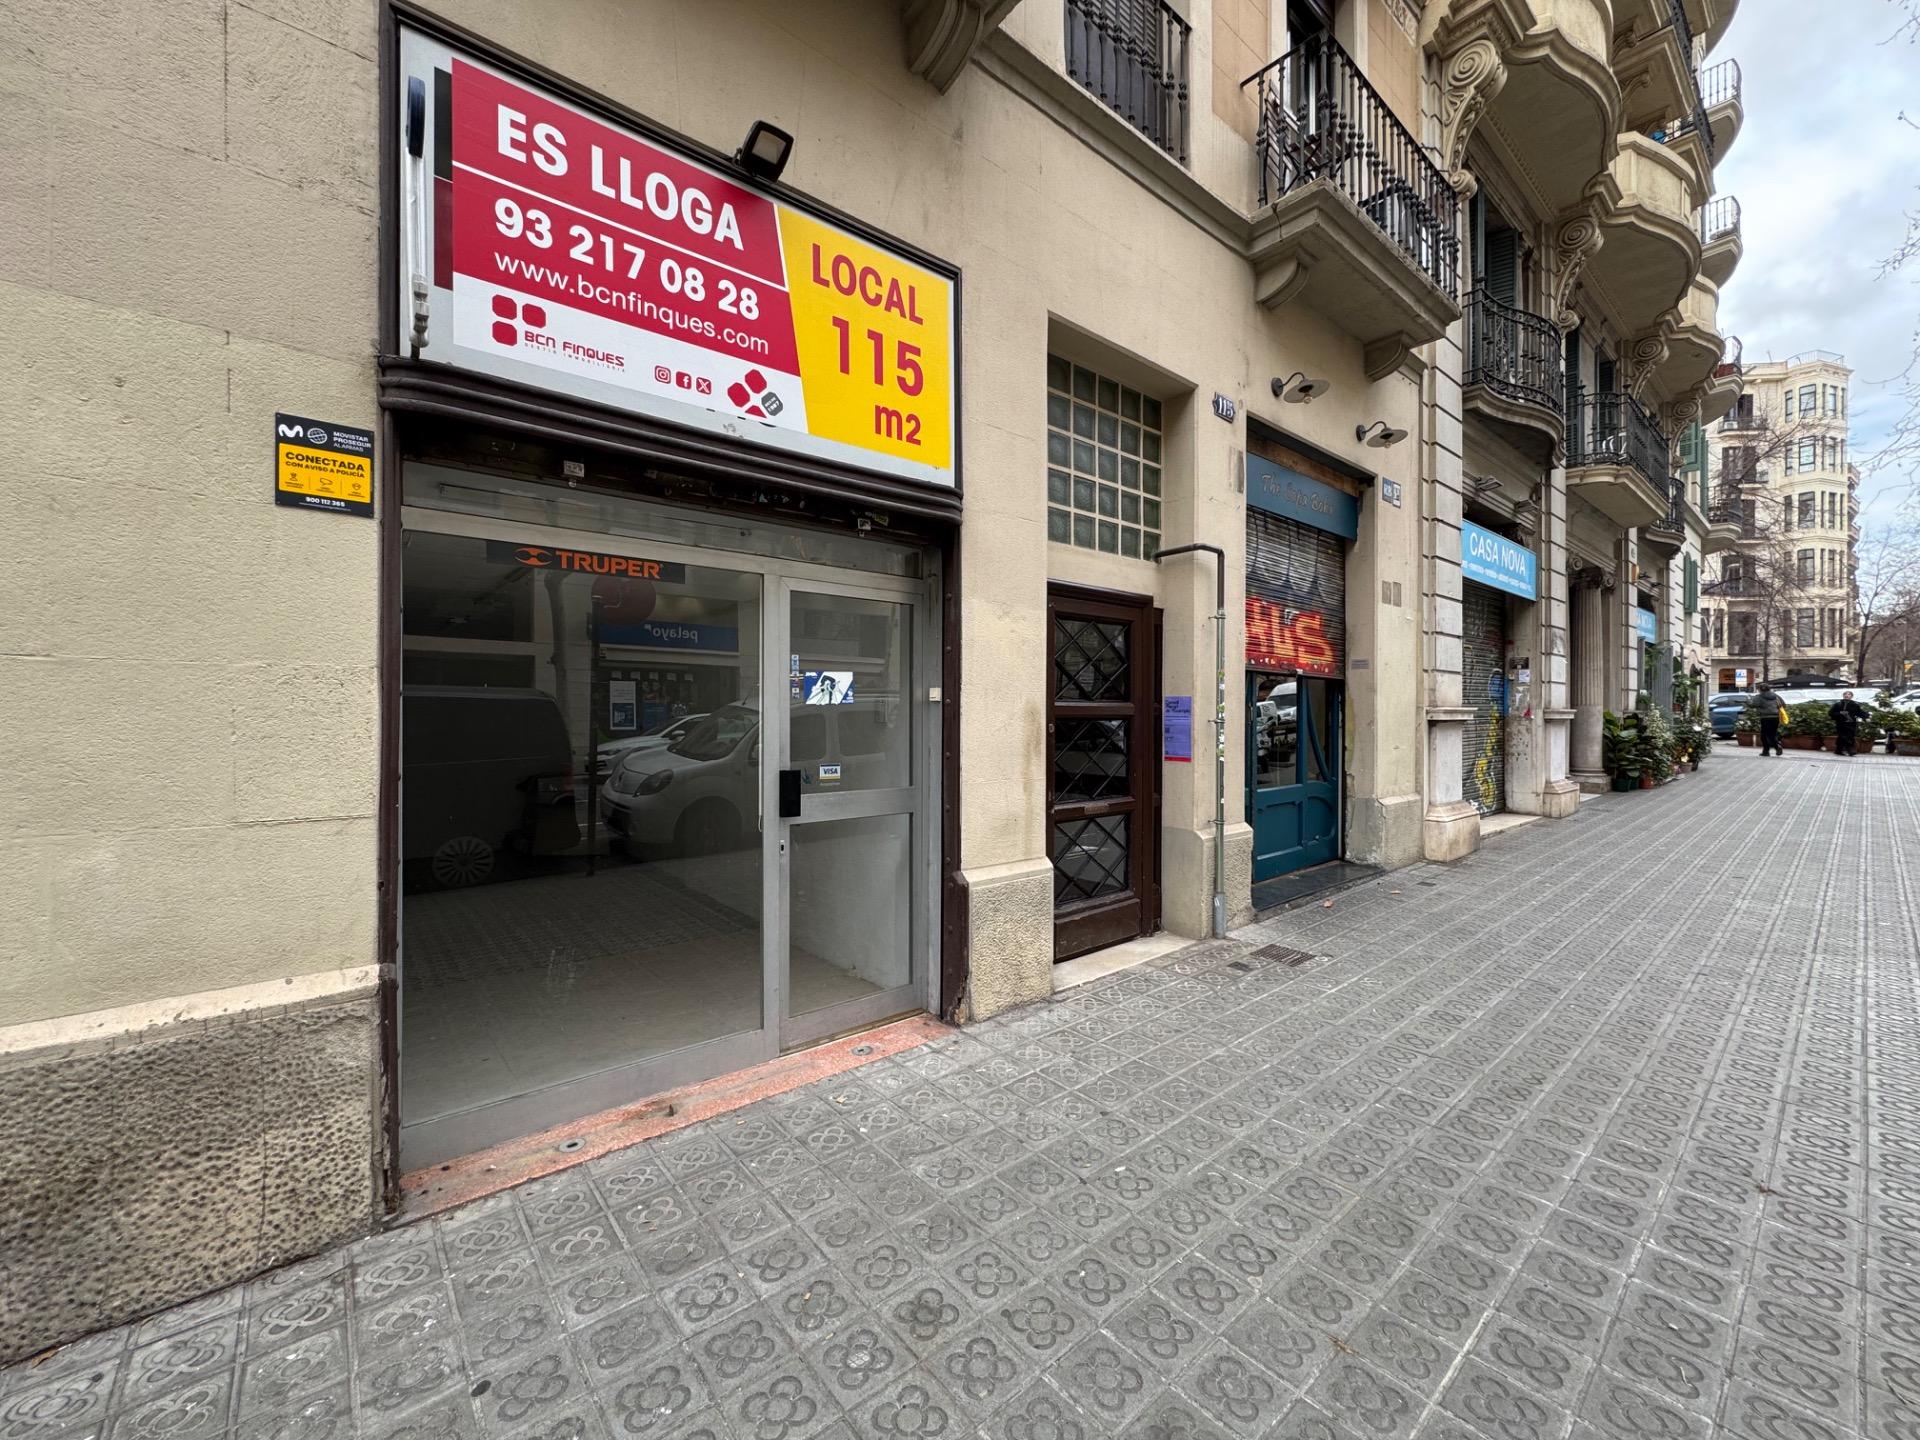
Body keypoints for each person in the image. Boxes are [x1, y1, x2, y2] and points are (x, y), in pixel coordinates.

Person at [1751, 684, 1786, 756]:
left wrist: (1747, 702)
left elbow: (1753, 705)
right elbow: (1783, 704)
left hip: (1765, 717)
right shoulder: (1776, 696)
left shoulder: (1759, 697)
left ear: (1760, 689)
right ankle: (1775, 747)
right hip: (1776, 717)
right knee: (1773, 733)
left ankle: (1768, 750)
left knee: (1764, 735)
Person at [1830, 690, 1869, 756]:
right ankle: (1849, 750)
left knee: (1849, 736)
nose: (1847, 695)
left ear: (1851, 696)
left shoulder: (1854, 705)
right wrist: (1840, 713)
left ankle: (1840, 750)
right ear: (1843, 696)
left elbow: (1859, 712)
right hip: (1841, 723)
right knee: (1842, 736)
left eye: (1849, 694)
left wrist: (1866, 716)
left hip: (1851, 723)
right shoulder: (1838, 704)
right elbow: (1831, 713)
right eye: (1845, 694)